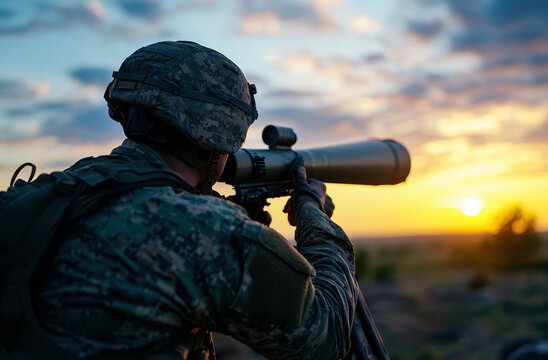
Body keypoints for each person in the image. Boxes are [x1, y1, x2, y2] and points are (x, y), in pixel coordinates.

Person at [33, 41, 357, 359]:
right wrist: (316, 217)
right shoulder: (202, 231)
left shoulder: (69, 186)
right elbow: (326, 339)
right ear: (217, 133)